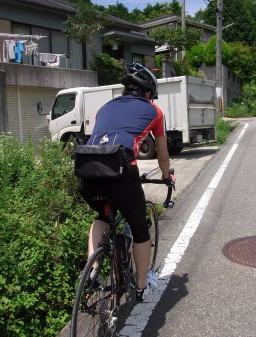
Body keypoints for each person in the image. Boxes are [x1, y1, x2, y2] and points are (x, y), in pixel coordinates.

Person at [78, 63, 175, 302]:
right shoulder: (155, 111)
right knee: (140, 230)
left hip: (85, 169)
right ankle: (141, 286)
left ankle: (92, 270)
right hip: (121, 172)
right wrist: (166, 177)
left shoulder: (104, 107)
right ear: (148, 93)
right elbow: (162, 154)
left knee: (102, 216)